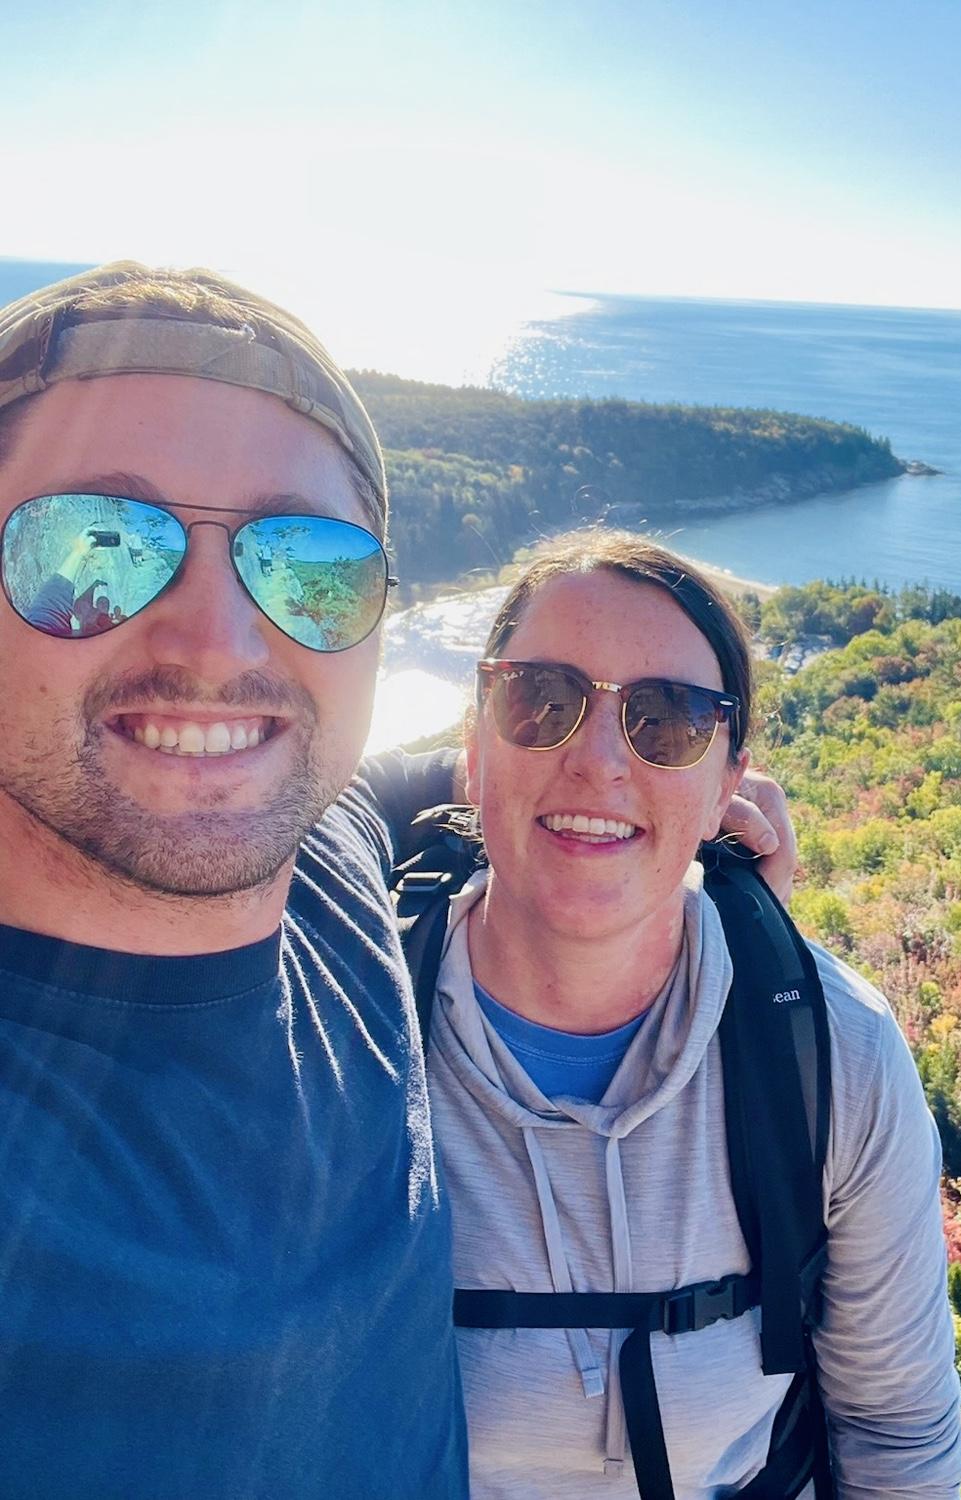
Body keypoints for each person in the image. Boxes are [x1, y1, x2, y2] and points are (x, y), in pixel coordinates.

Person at [0, 264, 796, 1499]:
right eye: (90, 547)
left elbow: (416, 773)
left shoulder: (330, 862)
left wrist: (673, 818)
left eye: (304, 568)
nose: (216, 643)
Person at [423, 532, 961, 1498]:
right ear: (472, 747)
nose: (597, 761)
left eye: (666, 719)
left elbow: (896, 1435)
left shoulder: (831, 1052)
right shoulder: (356, 1037)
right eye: (539, 698)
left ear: (728, 785)